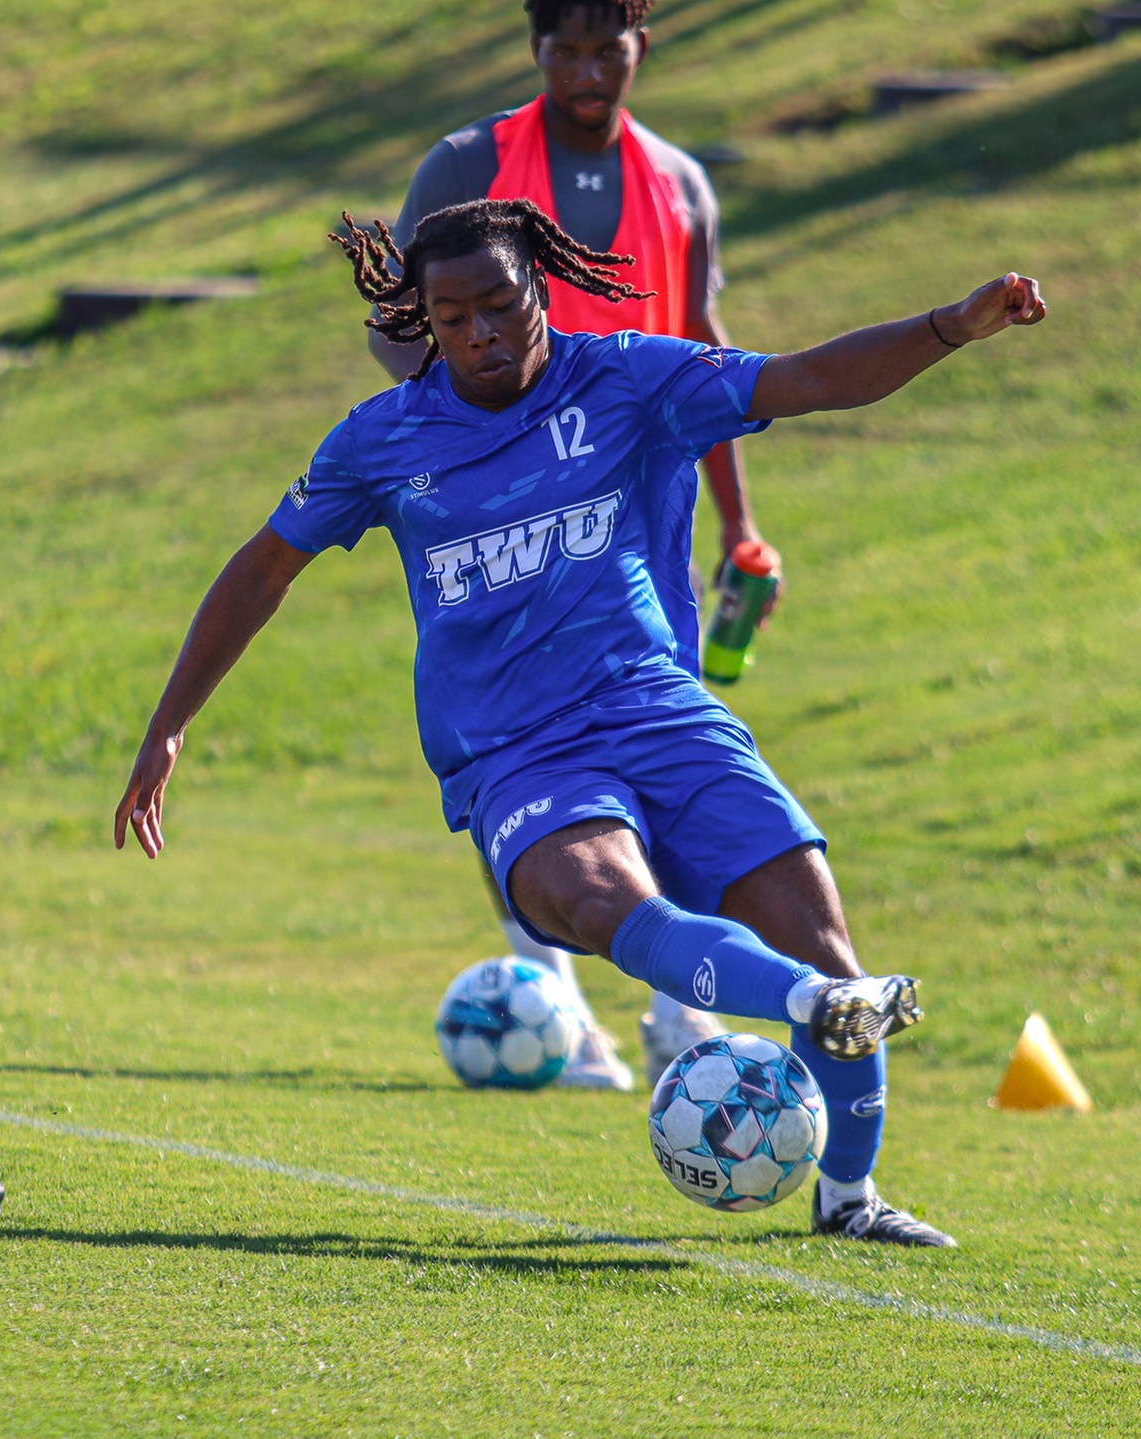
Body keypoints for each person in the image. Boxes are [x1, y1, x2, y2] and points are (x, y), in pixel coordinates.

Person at [116, 199, 1045, 1245]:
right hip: (514, 752)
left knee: (827, 937)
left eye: (498, 306)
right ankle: (806, 1003)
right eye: (451, 314)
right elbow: (261, 569)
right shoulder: (383, 439)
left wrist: (951, 327)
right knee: (603, 900)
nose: (478, 333)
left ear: (539, 293)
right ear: (423, 319)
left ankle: (850, 1199)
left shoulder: (629, 379)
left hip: (660, 712)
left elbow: (809, 378)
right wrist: (169, 724)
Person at [373, 0, 768, 1090]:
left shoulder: (680, 184)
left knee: (665, 736)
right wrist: (478, 464)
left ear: (645, 49)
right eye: (567, 47)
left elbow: (705, 359)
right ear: (535, 49)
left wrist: (739, 520)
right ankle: (551, 1004)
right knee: (525, 749)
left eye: (610, 47)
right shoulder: (468, 163)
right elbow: (397, 330)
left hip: (644, 512)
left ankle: (678, 1012)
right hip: (502, 513)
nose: (588, 69)